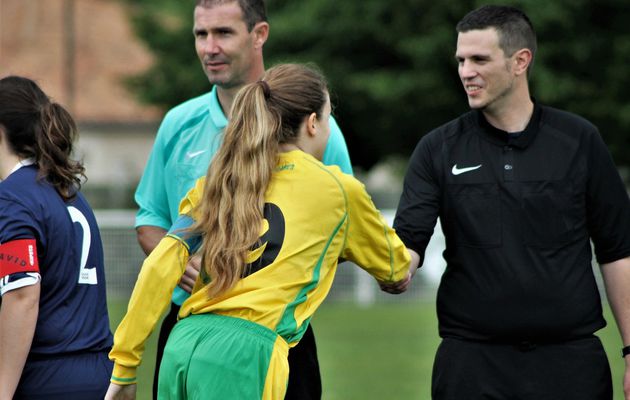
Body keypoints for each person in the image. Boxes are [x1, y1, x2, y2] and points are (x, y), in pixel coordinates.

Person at [106, 62, 416, 400]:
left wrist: (124, 367)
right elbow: (396, 271)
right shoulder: (338, 190)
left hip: (183, 345)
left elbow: (159, 266)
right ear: (312, 124)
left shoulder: (219, 180)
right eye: (328, 119)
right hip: (248, 356)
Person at [394, 5, 630, 400]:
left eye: (479, 59)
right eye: (461, 60)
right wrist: (392, 268)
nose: (466, 71)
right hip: (471, 366)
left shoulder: (579, 140)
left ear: (521, 61)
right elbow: (408, 245)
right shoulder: (437, 148)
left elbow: (618, 251)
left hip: (571, 366)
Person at [133, 1, 353, 398]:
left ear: (260, 35)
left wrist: (264, 264)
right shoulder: (178, 124)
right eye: (201, 34)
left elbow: (342, 227)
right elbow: (150, 219)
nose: (209, 47)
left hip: (279, 334)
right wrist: (184, 262)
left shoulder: (316, 126)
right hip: (189, 323)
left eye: (223, 33)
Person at [0, 76, 113, 399]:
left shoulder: (13, 197)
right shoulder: (69, 193)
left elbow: (22, 296)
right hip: (98, 374)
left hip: (48, 379)